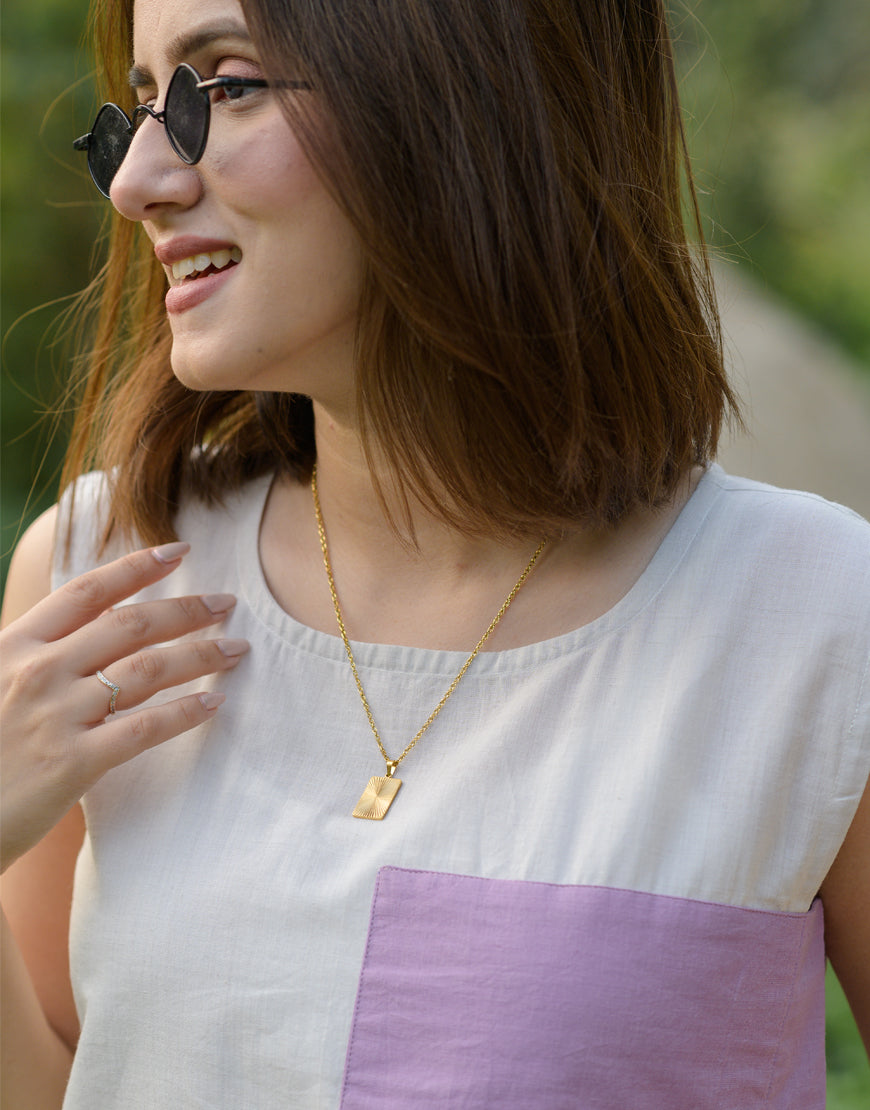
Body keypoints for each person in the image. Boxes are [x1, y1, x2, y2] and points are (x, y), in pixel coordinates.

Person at [2, 0, 868, 1106]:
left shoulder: (814, 620)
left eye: (226, 86)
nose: (136, 184)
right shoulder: (104, 575)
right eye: (138, 108)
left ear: (468, 92)